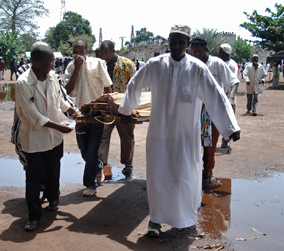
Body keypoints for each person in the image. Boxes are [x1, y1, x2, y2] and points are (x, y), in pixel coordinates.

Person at [118, 25, 241, 237]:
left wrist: (230, 127)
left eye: (181, 43)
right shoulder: (156, 65)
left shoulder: (197, 68)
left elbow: (216, 96)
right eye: (173, 42)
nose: (176, 46)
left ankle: (185, 219)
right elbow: (135, 83)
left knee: (184, 175)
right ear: (168, 42)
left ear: (188, 45)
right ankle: (155, 220)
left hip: (186, 136)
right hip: (159, 134)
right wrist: (126, 110)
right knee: (158, 176)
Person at [15, 42, 78, 232]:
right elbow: (30, 115)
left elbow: (60, 99)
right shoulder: (23, 83)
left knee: (53, 171)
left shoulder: (52, 77)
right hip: (34, 139)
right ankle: (34, 216)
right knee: (33, 179)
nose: (53, 65)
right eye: (51, 62)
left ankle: (53, 199)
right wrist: (58, 126)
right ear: (40, 62)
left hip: (54, 137)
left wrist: (73, 111)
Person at [64, 39, 113, 196]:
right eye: (75, 52)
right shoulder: (71, 67)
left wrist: (109, 106)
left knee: (92, 151)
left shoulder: (97, 64)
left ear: (87, 51)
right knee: (84, 151)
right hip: (80, 115)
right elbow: (67, 91)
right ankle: (98, 167)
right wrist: (77, 69)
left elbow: (107, 86)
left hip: (97, 115)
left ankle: (90, 185)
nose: (78, 55)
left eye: (81, 51)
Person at [190, 38, 239, 189]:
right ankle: (193, 175)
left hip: (212, 110)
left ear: (206, 49)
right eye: (193, 51)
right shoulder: (190, 64)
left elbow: (234, 82)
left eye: (198, 51)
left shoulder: (216, 63)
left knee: (209, 146)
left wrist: (230, 98)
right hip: (193, 110)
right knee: (192, 144)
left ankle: (207, 175)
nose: (195, 54)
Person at [98, 40, 137, 178]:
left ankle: (128, 164)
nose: (104, 56)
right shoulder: (99, 66)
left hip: (124, 107)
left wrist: (131, 107)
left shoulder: (127, 65)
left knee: (127, 137)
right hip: (105, 109)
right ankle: (102, 164)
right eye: (102, 53)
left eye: (107, 52)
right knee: (102, 136)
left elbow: (135, 87)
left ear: (114, 50)